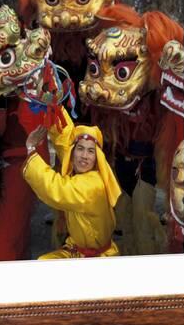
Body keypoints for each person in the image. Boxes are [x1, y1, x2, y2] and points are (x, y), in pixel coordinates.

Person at [23, 108, 122, 259]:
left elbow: (56, 188)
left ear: (97, 158)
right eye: (80, 149)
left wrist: (31, 149)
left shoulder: (93, 185)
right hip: (76, 250)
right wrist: (54, 105)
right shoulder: (79, 169)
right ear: (73, 152)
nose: (84, 156)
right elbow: (65, 139)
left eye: (90, 151)